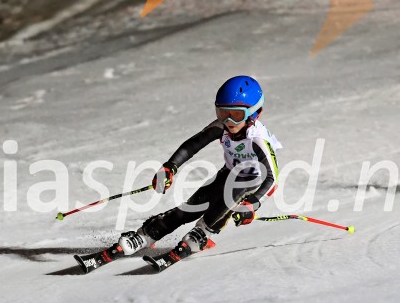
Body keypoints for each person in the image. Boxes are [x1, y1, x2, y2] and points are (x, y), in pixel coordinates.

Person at [118, 75, 282, 263]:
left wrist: (253, 204)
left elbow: (272, 178)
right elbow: (193, 145)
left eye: (236, 115)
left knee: (223, 205)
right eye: (222, 113)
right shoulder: (222, 127)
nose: (228, 121)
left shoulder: (258, 139)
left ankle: (201, 234)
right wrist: (171, 167)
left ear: (254, 113)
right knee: (191, 207)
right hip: (228, 173)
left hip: (252, 183)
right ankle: (149, 233)